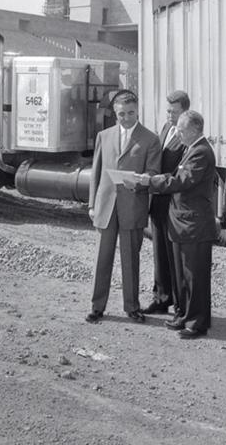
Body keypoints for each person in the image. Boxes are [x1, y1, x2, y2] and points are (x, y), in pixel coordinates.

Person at [136, 110, 217, 340]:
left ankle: (197, 323)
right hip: (182, 223)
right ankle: (184, 315)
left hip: (194, 225)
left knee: (195, 277)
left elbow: (182, 180)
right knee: (182, 275)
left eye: (181, 131)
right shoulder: (192, 149)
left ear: (194, 130)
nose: (178, 135)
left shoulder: (200, 152)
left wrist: (152, 181)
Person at [86, 90, 161, 324]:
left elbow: (154, 173)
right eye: (121, 114)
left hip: (133, 206)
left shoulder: (150, 139)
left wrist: (139, 180)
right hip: (106, 207)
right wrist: (91, 205)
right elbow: (95, 173)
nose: (126, 118)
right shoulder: (104, 136)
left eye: (130, 113)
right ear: (115, 113)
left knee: (131, 260)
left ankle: (132, 307)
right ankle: (97, 306)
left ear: (137, 111)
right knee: (102, 259)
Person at [142, 90, 190, 317]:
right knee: (160, 253)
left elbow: (180, 174)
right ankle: (161, 299)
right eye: (168, 111)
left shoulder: (186, 138)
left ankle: (181, 304)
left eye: (175, 111)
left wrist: (156, 182)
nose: (170, 115)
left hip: (173, 203)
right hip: (158, 202)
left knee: (176, 256)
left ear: (185, 112)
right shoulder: (165, 129)